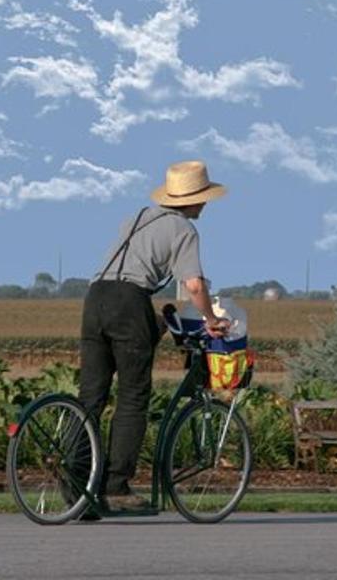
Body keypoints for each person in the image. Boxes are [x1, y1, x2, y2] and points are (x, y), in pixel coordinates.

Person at [78, 159, 230, 513]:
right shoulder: (184, 230)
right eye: (204, 198)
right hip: (129, 301)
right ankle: (116, 488)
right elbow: (193, 284)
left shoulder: (137, 218)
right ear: (195, 199)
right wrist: (210, 319)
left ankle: (77, 488)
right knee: (133, 397)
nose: (205, 204)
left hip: (95, 298)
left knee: (91, 399)